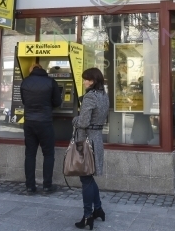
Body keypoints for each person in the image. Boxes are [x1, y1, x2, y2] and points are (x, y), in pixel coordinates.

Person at [72, 67, 109, 230]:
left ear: (93, 81)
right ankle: (98, 209)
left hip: (86, 141)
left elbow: (83, 122)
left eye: (86, 79)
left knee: (85, 178)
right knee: (89, 177)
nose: (84, 82)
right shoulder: (103, 95)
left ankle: (87, 216)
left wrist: (74, 120)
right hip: (97, 139)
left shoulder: (90, 96)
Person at [20, 63, 62, 194]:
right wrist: (48, 105)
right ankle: (47, 186)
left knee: (30, 154)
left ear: (31, 70)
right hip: (45, 122)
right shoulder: (50, 82)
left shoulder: (25, 82)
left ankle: (30, 186)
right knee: (48, 154)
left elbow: (24, 101)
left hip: (29, 122)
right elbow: (58, 102)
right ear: (42, 69)